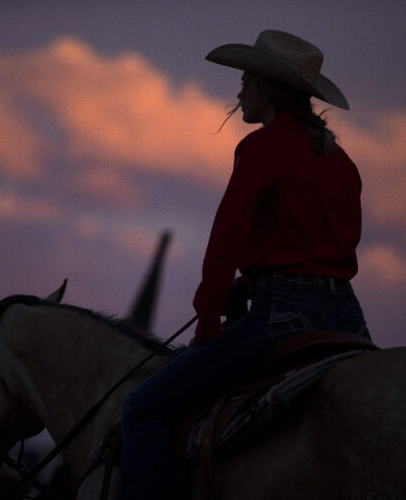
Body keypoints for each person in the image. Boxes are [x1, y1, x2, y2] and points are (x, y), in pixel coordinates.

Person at [121, 29, 370, 500]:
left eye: (245, 82)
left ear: (266, 89)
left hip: (282, 317)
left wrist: (209, 319)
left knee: (143, 408)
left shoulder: (260, 149)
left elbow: (225, 241)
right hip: (348, 318)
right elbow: (332, 246)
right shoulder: (343, 161)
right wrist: (257, 278)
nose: (238, 93)